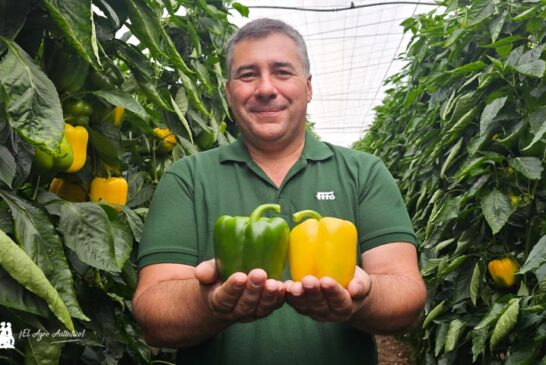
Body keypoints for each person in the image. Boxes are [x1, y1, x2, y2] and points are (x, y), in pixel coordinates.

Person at [133, 18, 427, 365]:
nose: (266, 88)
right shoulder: (188, 177)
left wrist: (363, 295)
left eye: (282, 72)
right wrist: (211, 303)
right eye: (247, 75)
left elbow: (408, 295)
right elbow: (151, 313)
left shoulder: (364, 172)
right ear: (228, 92)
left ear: (308, 86)